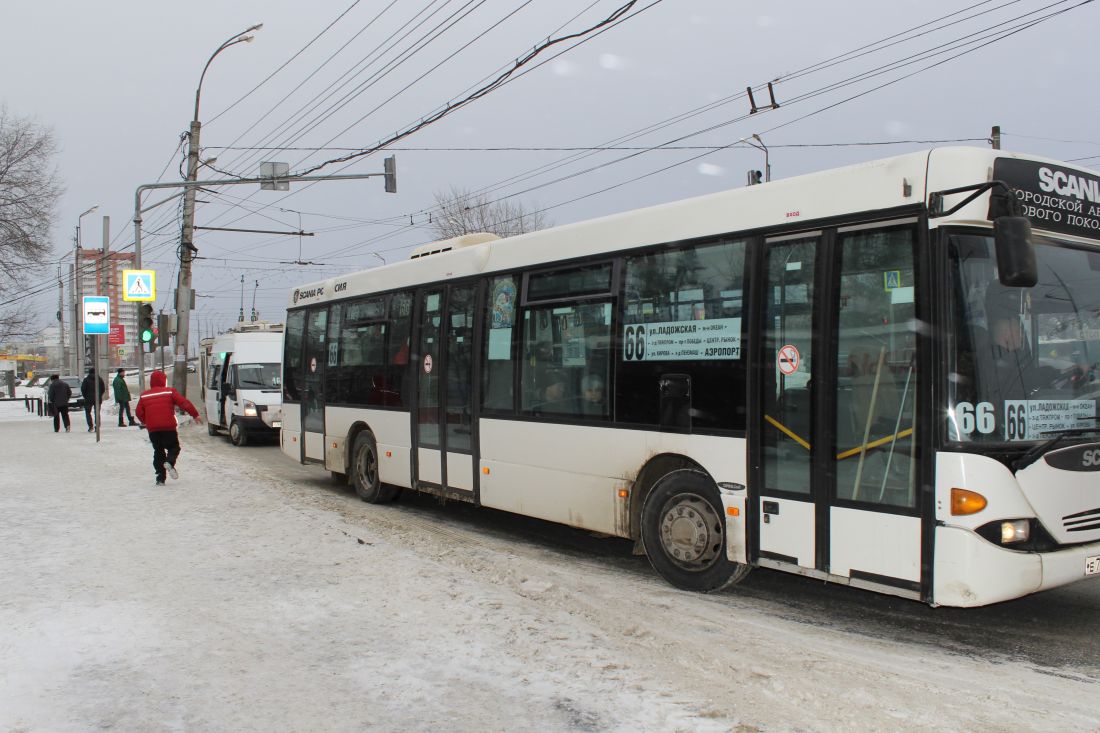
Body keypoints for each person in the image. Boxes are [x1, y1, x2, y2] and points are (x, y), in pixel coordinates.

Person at [135, 369, 202, 486]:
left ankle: (160, 478)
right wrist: (195, 414)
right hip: (168, 427)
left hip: (153, 429)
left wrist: (147, 421)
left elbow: (138, 412)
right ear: (163, 381)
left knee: (158, 451)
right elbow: (184, 403)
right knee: (174, 447)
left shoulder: (144, 395)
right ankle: (169, 462)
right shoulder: (170, 392)